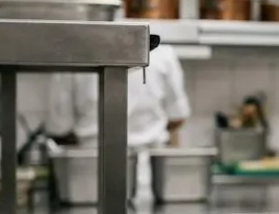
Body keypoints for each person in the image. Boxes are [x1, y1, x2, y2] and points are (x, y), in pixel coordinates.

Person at [45, 43, 191, 195]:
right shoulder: (162, 54)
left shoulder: (72, 55)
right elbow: (177, 117)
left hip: (90, 175)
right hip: (146, 175)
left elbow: (59, 128)